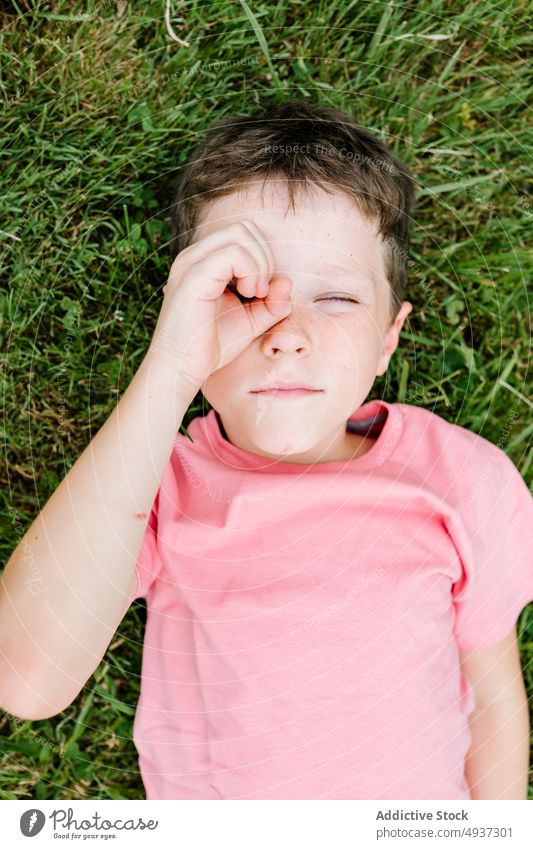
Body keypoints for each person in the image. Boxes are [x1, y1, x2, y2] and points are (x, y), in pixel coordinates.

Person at [1, 99, 532, 801]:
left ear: (388, 338)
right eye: (243, 291)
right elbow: (24, 678)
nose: (286, 332)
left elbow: (493, 693)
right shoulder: (153, 484)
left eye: (337, 297)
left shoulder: (459, 478)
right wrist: (170, 369)